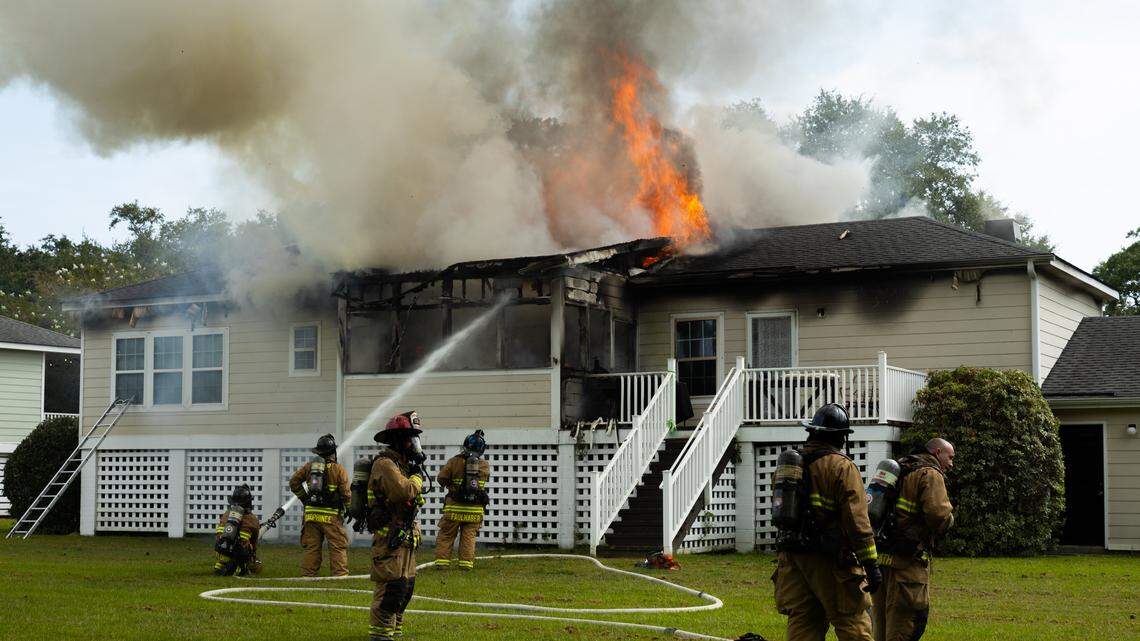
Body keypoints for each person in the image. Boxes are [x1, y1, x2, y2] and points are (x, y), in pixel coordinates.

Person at [772, 403, 881, 641]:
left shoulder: (791, 465)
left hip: (792, 559)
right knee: (852, 620)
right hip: (831, 561)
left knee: (803, 623)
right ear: (841, 437)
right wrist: (870, 564)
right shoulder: (842, 467)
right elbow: (857, 522)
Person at [871, 438, 955, 641]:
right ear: (937, 452)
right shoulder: (930, 474)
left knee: (880, 625)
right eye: (950, 457)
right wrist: (950, 521)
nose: (951, 463)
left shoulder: (900, 468)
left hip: (882, 560)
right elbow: (938, 515)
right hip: (907, 564)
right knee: (904, 625)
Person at [367, 411, 428, 641]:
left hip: (406, 539)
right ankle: (381, 636)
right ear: (399, 440)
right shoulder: (385, 464)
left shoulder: (402, 466)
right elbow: (403, 491)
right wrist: (417, 479)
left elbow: (413, 498)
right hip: (389, 540)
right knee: (391, 589)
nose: (414, 444)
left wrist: (414, 478)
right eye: (410, 439)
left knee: (405, 589)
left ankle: (394, 632)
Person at [288, 432, 351, 577]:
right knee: (337, 546)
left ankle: (308, 575)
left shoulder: (309, 467)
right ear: (333, 452)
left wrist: (305, 498)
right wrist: (348, 508)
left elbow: (293, 482)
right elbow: (346, 493)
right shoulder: (338, 469)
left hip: (311, 515)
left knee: (312, 547)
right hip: (331, 517)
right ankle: (339, 576)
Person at [434, 429, 491, 570]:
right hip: (475, 510)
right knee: (469, 537)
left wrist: (451, 485)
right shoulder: (484, 465)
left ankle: (442, 564)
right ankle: (465, 565)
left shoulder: (454, 462)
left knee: (446, 535)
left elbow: (441, 478)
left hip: (454, 508)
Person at [212, 484, 262, 576]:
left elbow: (218, 534)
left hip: (220, 550)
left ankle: (220, 565)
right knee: (254, 561)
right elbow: (254, 543)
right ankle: (240, 567)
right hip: (238, 553)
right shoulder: (253, 519)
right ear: (249, 503)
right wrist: (253, 556)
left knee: (227, 552)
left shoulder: (226, 514)